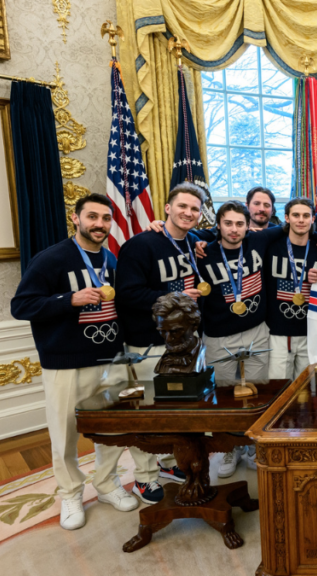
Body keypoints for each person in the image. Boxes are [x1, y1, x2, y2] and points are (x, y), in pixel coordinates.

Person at [10, 194, 147, 530]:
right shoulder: (51, 259)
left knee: (112, 429)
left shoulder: (113, 261)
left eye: (105, 218)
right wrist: (68, 299)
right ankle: (70, 492)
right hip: (66, 363)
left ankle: (105, 484)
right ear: (76, 218)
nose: (99, 224)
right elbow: (21, 306)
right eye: (92, 217)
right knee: (65, 432)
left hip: (111, 358)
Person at [116, 182, 210, 488]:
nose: (188, 212)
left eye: (194, 209)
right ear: (167, 208)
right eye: (182, 206)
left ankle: (171, 463)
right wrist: (178, 295)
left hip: (187, 342)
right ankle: (144, 477)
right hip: (150, 344)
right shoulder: (141, 245)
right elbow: (128, 294)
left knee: (179, 409)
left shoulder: (193, 241)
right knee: (150, 411)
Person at [194, 201, 286, 477]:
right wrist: (200, 237)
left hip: (257, 330)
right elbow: (180, 235)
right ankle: (226, 448)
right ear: (218, 225)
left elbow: (291, 225)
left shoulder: (258, 240)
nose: (234, 229)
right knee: (224, 395)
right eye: (228, 223)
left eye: (239, 224)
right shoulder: (203, 252)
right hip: (219, 334)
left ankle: (250, 444)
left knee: (256, 391)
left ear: (248, 225)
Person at [266, 199, 317, 382]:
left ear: (313, 219)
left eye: (306, 215)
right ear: (286, 218)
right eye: (296, 215)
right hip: (278, 332)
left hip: (311, 332)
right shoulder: (271, 245)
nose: (301, 220)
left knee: (309, 389)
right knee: (279, 388)